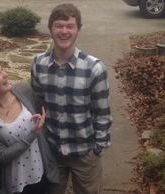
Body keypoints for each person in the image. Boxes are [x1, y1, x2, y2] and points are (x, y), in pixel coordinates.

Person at [31, 3, 112, 194]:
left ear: (78, 30)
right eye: (59, 26)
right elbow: (37, 104)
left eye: (70, 26)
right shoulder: (38, 64)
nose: (64, 31)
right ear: (51, 29)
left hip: (85, 154)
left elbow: (102, 113)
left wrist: (98, 148)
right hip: (52, 152)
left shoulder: (94, 68)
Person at [0, 61, 58, 194]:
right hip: (16, 183)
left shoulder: (23, 90)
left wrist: (40, 122)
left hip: (42, 173)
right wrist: (33, 133)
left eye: (3, 70)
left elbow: (42, 112)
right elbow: (1, 155)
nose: (6, 74)